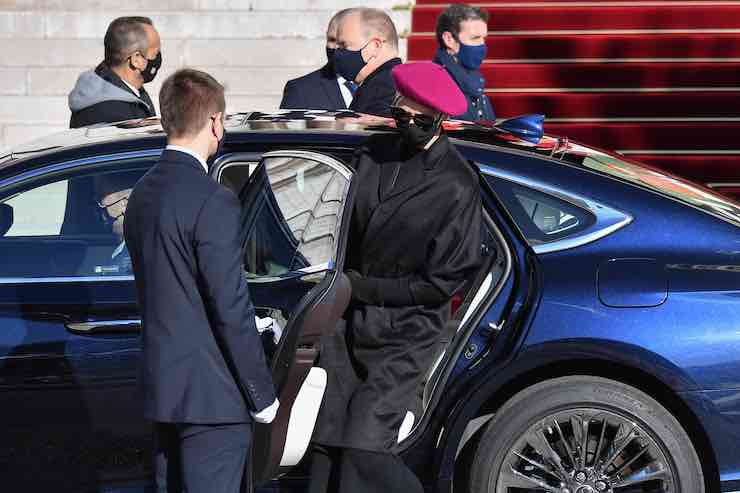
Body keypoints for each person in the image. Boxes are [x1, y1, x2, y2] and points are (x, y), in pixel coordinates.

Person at [309, 62, 482, 493]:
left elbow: (443, 281)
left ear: (439, 121)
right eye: (400, 116)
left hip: (407, 332)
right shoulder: (371, 157)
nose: (406, 125)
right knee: (326, 444)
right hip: (348, 326)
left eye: (418, 120)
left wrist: (360, 286)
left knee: (365, 450)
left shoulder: (456, 185)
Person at [123, 68, 278, 493]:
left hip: (163, 390)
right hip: (213, 399)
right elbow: (229, 306)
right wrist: (261, 395)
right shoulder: (213, 199)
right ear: (215, 122)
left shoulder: (142, 192)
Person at [69, 16, 161, 128]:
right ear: (136, 59)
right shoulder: (113, 116)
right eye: (155, 53)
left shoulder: (128, 92)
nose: (157, 58)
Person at [280, 9, 355, 110]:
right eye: (332, 40)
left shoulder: (381, 85)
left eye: (342, 42)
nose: (335, 47)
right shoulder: (301, 90)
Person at [334, 7, 402, 117]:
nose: (337, 53)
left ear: (375, 46)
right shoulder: (383, 81)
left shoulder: (382, 88)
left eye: (344, 45)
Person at [433, 4, 495, 122]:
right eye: (475, 38)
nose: (482, 45)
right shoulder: (437, 84)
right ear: (449, 39)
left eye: (484, 38)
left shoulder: (475, 81)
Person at [94, 172, 138, 275]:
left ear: (125, 204)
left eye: (101, 197)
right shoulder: (123, 247)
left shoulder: (136, 253)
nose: (97, 205)